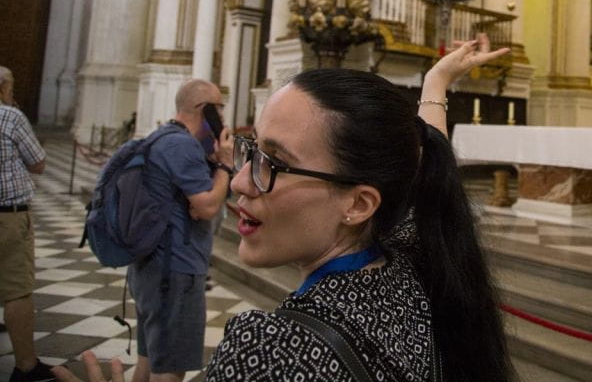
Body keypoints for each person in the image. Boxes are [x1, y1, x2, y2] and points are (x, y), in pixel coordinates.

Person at [54, 37, 514, 382]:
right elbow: (420, 165)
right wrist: (436, 81)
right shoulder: (414, 263)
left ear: (358, 204)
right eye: (251, 150)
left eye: (273, 163)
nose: (236, 182)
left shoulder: (273, 352)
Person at [125, 79, 233, 382]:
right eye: (219, 110)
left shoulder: (162, 136)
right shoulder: (182, 146)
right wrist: (224, 164)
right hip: (176, 270)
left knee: (149, 359)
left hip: (150, 267)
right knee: (170, 367)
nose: (222, 118)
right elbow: (206, 207)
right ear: (206, 110)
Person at [0, 66, 55, 382]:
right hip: (8, 215)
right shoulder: (10, 117)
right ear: (5, 88)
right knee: (17, 289)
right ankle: (25, 365)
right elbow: (38, 162)